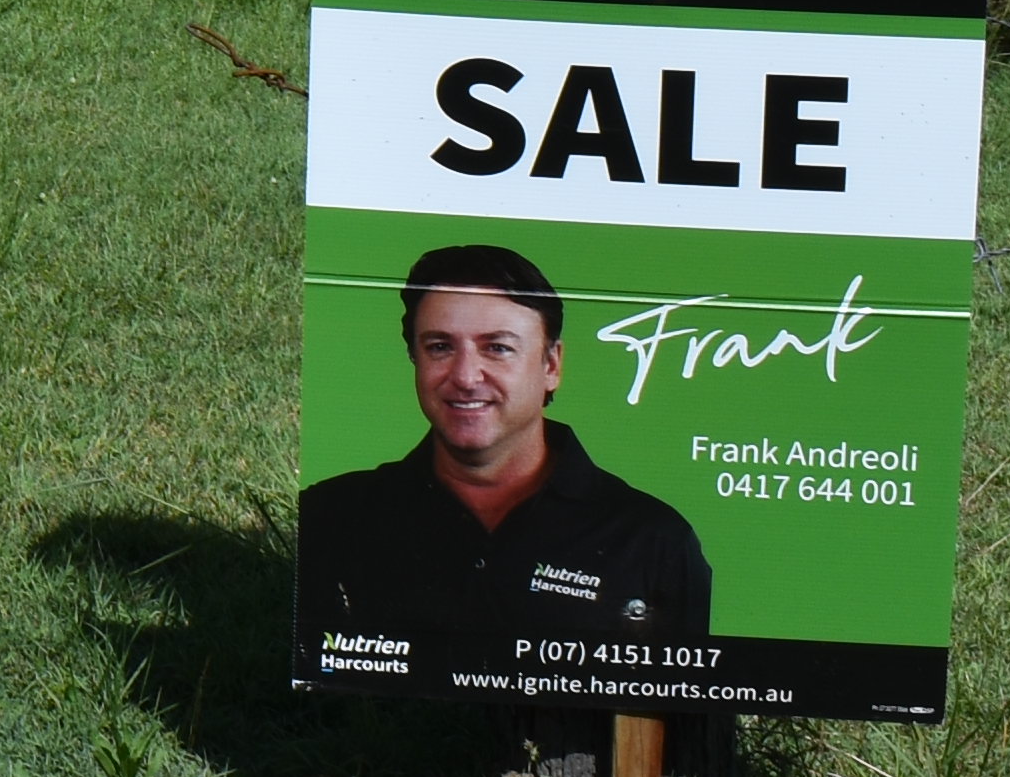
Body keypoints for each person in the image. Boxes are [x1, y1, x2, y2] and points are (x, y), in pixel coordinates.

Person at [297, 243, 712, 689]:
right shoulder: (331, 516)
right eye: (439, 347)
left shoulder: (651, 541)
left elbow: (696, 734)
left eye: (496, 348)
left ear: (551, 365)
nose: (465, 376)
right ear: (414, 359)